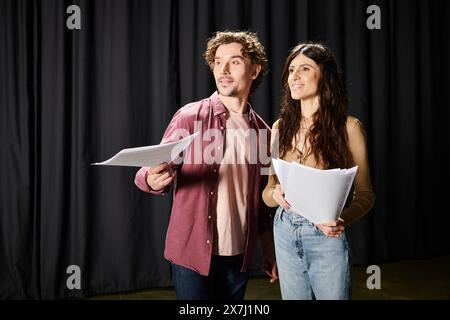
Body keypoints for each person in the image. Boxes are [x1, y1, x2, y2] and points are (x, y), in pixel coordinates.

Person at [134, 31, 278, 300]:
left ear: (255, 69)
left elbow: (261, 204)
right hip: (192, 253)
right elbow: (149, 169)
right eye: (218, 61)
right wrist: (150, 179)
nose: (223, 69)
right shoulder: (191, 117)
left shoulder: (264, 133)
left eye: (234, 61)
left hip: (239, 256)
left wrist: (268, 251)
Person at [262, 42, 376, 300]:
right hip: (284, 230)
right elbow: (266, 193)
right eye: (291, 70)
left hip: (325, 234)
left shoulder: (349, 127)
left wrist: (341, 221)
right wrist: (276, 195)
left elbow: (367, 195)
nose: (294, 76)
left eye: (304, 68)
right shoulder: (278, 128)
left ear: (324, 76)